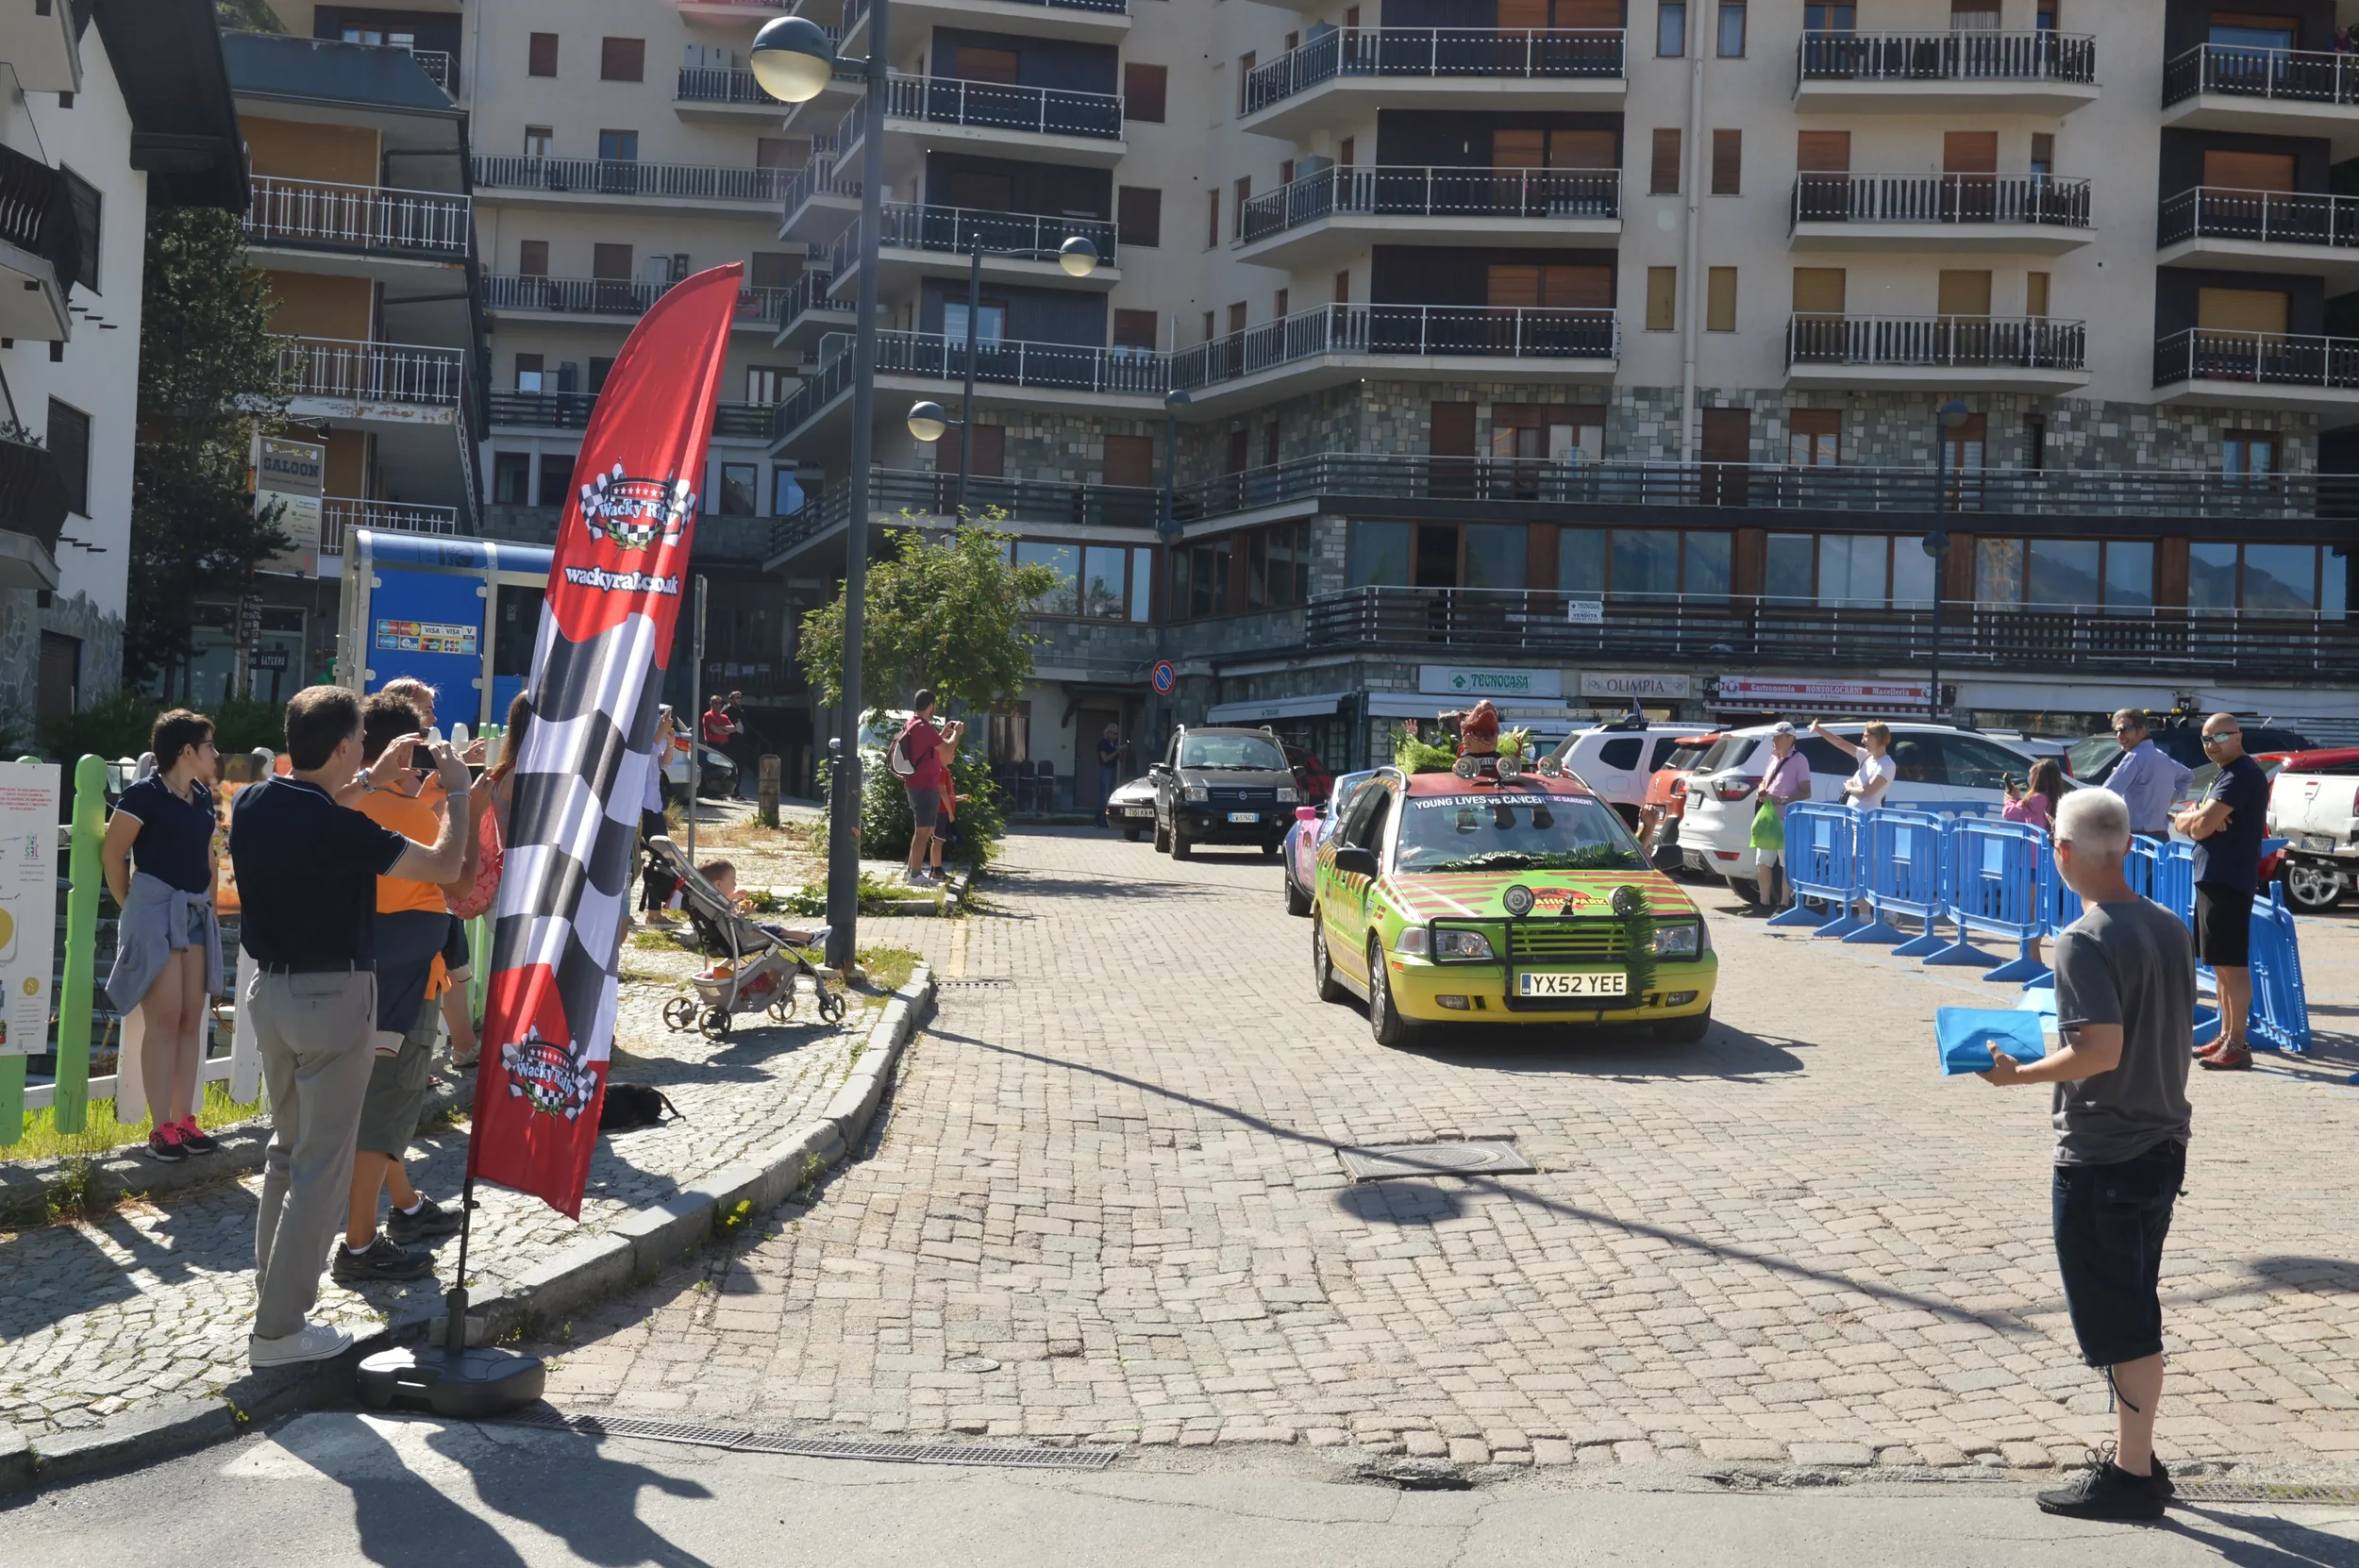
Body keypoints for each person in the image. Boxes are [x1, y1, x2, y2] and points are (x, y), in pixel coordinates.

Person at [230, 685, 469, 1367]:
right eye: (358, 742)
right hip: (333, 998)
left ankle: (270, 1301)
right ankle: (279, 1333)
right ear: (340, 746)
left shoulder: (256, 799)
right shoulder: (344, 827)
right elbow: (448, 869)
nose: (364, 748)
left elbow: (322, 805)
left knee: (287, 1153)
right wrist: (455, 792)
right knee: (320, 1171)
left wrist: (370, 778)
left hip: (269, 993)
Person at [1979, 788, 2193, 1522]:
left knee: (2120, 1317)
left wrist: (2020, 1075)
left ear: (2061, 852)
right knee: (2135, 1304)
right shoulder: (2168, 926)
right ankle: (2140, 1456)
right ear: (2128, 846)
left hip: (2105, 1149)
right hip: (2163, 1138)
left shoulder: (2084, 937)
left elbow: (2099, 1050)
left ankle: (2133, 1475)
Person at [337, 692, 481, 1285]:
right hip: (407, 978)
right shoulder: (420, 814)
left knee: (370, 1102)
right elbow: (462, 880)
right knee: (388, 1108)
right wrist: (466, 798)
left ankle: (408, 1206)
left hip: (353, 969)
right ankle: (360, 1243)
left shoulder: (346, 803)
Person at [102, 709, 226, 1162]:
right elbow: (114, 854)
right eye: (209, 745)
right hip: (156, 911)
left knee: (193, 1017)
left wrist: (209, 904)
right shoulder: (143, 794)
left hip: (193, 913)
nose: (215, 753)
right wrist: (133, 906)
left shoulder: (202, 796)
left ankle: (185, 1120)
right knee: (166, 1016)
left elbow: (208, 857)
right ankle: (161, 1128)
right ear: (186, 750)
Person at [2172, 712, 2268, 1071]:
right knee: (2220, 967)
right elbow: (2190, 821)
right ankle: (2226, 1032)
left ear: (2238, 736)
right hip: (2213, 876)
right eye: (2205, 739)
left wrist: (2198, 821)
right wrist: (2194, 819)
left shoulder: (2242, 773)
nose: (2210, 745)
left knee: (2232, 964)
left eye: (2218, 737)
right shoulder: (2224, 775)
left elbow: (2201, 826)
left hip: (2228, 878)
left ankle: (2237, 1043)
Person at [897, 690, 962, 886]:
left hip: (918, 784)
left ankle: (911, 871)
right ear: (931, 706)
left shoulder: (914, 723)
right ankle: (916, 875)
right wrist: (956, 735)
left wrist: (943, 733)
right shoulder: (923, 728)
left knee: (922, 830)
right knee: (923, 831)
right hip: (924, 786)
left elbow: (932, 745)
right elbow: (947, 748)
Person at [1749, 722, 1812, 916]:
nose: (1773, 740)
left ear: (1789, 738)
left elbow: (1806, 792)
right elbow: (1766, 780)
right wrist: (1761, 788)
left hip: (1787, 819)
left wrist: (1783, 800)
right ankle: (1764, 902)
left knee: (1786, 862)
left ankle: (1784, 904)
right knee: (1763, 861)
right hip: (1769, 819)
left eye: (1776, 737)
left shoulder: (1800, 760)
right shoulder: (1773, 757)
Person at [2101, 709, 2192, 840]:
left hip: (2138, 842)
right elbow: (2188, 776)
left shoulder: (2134, 757)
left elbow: (2105, 795)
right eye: (2116, 732)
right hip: (2161, 838)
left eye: (2124, 730)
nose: (2119, 736)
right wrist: (2163, 803)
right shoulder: (2162, 757)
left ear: (2143, 731)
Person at [1812, 719, 1895, 810]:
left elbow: (1868, 791)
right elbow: (1841, 743)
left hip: (1867, 820)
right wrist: (1818, 729)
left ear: (1878, 737)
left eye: (1865, 736)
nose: (1862, 741)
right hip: (1851, 816)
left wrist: (1850, 788)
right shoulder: (1866, 756)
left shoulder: (1887, 764)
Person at [2004, 758, 2066, 836]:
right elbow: (2027, 812)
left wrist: (2010, 799)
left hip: (2031, 846)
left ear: (2036, 780)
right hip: (2047, 846)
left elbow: (2008, 813)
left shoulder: (2036, 798)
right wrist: (2017, 799)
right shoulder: (2055, 798)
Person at [1096, 724, 1123, 827]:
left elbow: (1120, 759)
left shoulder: (1113, 744)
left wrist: (1121, 751)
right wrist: (1116, 751)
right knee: (1104, 795)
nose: (1116, 736)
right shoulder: (1103, 743)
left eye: (1117, 734)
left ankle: (1108, 819)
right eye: (1115, 734)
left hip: (1112, 770)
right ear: (1108, 733)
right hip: (1105, 770)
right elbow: (1105, 758)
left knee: (1111, 795)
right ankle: (1100, 819)